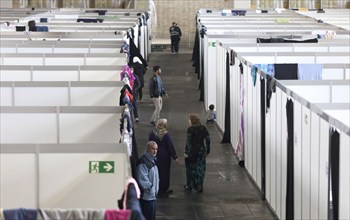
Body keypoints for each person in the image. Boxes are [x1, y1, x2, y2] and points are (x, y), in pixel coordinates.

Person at [149, 118, 178, 197]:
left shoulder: (152, 133)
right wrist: (175, 156)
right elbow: (170, 146)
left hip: (154, 154)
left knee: (155, 172)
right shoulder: (165, 134)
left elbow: (149, 143)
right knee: (164, 172)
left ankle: (156, 188)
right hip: (164, 156)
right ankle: (163, 189)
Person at [184, 114, 210, 193]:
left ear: (192, 120)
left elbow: (188, 142)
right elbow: (208, 139)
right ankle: (200, 185)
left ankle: (190, 185)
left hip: (192, 151)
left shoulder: (190, 129)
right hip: (201, 151)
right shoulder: (203, 128)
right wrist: (208, 150)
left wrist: (186, 152)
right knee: (201, 168)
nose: (188, 121)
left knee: (190, 168)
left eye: (189, 120)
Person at [136, 141, 159, 220]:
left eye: (156, 149)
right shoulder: (143, 162)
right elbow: (142, 179)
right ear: (148, 149)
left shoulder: (151, 161)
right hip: (147, 198)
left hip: (152, 197)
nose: (155, 151)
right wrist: (151, 188)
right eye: (153, 149)